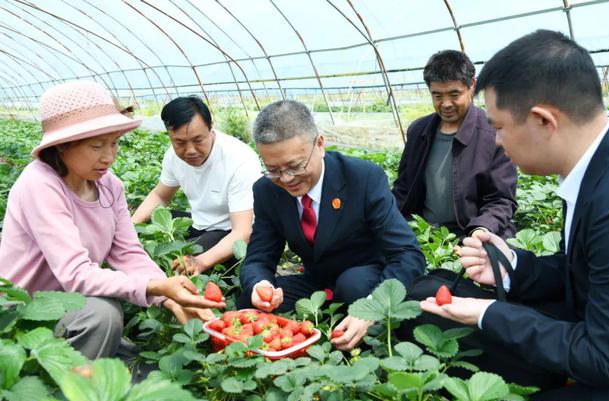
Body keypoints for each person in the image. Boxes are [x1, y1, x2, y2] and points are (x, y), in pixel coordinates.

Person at [418, 30, 609, 401]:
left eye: (498, 127)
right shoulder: (607, 164)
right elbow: (584, 269)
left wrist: (490, 313)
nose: (495, 141)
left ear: (544, 121)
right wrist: (514, 267)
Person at [0, 81, 222, 360]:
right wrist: (152, 287)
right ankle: (71, 395)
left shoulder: (109, 186)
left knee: (121, 344)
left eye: (115, 142)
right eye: (96, 145)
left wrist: (169, 296)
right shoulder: (40, 184)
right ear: (61, 147)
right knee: (102, 314)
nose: (109, 156)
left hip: (68, 305)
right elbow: (76, 274)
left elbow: (128, 253)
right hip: (23, 312)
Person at [238, 100, 425, 351]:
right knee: (248, 302)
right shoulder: (267, 190)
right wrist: (261, 286)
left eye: (295, 166)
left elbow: (408, 255)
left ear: (320, 144)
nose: (286, 179)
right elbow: (258, 258)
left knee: (353, 284)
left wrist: (373, 306)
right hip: (317, 283)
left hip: (367, 280)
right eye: (273, 169)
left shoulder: (363, 178)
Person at [392, 50, 517, 238]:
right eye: (438, 96)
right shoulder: (418, 131)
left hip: (472, 234)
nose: (446, 103)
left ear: (472, 85)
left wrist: (480, 230)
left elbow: (501, 200)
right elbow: (403, 188)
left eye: (454, 94)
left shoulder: (494, 133)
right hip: (424, 234)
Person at [131, 96, 261, 275]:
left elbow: (243, 232)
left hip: (228, 229)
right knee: (145, 223)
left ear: (211, 126)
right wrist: (129, 229)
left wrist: (199, 262)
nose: (190, 150)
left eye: (198, 140)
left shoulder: (239, 159)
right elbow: (160, 195)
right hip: (198, 221)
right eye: (180, 143)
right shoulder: (172, 156)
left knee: (184, 262)